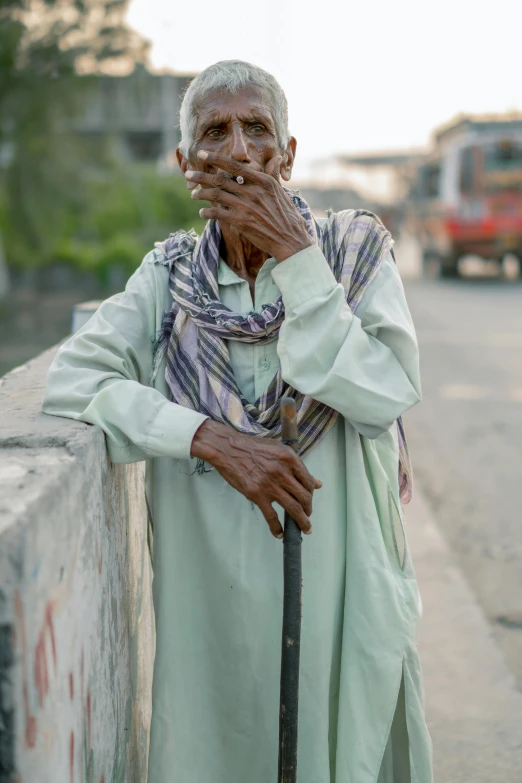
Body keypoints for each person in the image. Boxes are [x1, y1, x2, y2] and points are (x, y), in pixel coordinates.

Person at [43, 60, 433, 783]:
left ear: (286, 155)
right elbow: (73, 378)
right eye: (214, 132)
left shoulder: (353, 253)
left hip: (337, 607)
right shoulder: (167, 280)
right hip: (211, 621)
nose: (238, 149)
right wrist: (209, 438)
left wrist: (296, 256)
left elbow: (386, 391)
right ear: (186, 165)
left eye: (257, 129)